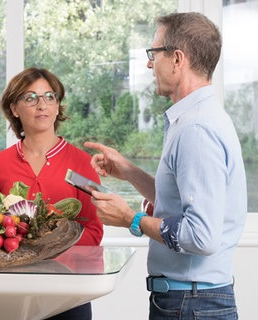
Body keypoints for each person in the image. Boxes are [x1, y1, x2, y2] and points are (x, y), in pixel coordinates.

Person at [85, 12, 247, 320]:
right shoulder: (195, 119)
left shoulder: (196, 130)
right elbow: (181, 205)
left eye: (153, 54)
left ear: (177, 58)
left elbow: (201, 235)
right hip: (191, 301)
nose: (149, 64)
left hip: (191, 304)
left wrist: (130, 219)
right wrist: (129, 171)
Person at [0, 67, 104, 320]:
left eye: (50, 97)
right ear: (14, 109)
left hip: (69, 294)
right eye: (30, 98)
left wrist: (42, 244)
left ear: (58, 107)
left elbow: (93, 232)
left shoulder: (82, 164)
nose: (42, 105)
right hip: (10, 294)